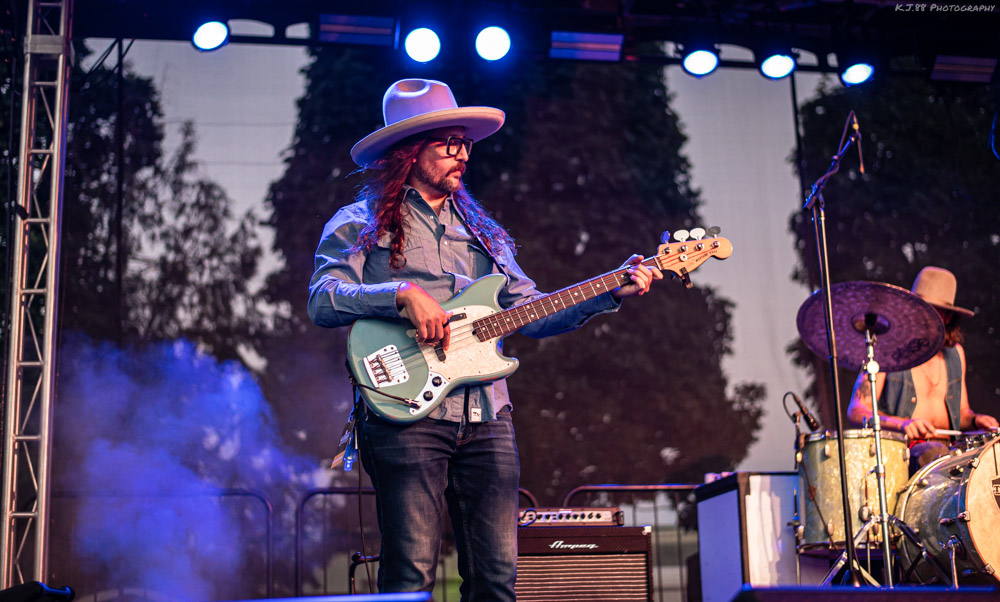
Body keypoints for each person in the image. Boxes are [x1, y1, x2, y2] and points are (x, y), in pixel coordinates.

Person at [307, 78, 663, 600]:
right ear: (410, 150)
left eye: (466, 143)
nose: (462, 155)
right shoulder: (359, 223)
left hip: (488, 417)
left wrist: (612, 287)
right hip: (405, 412)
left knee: (497, 580)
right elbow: (324, 296)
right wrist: (400, 292)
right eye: (449, 143)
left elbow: (531, 312)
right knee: (410, 577)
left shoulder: (485, 234)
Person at [847, 266, 998, 469]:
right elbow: (856, 410)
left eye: (932, 310)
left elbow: (961, 413)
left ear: (947, 316)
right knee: (935, 454)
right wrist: (901, 424)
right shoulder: (884, 350)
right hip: (903, 455)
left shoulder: (956, 354)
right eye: (919, 308)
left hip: (950, 455)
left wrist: (976, 420)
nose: (923, 316)